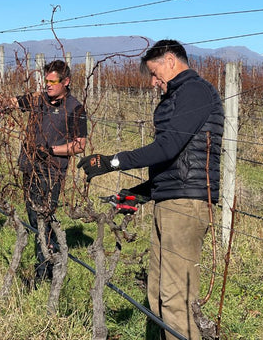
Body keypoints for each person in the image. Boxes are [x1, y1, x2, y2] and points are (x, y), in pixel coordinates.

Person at [77, 40, 224, 340]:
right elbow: (174, 162)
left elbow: (167, 147)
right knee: (158, 294)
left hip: (184, 208)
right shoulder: (177, 95)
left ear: (171, 61)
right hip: (169, 202)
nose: (154, 82)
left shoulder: (195, 91)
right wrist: (138, 192)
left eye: (156, 73)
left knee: (176, 300)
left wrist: (112, 162)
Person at [0, 59, 87, 282]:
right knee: (34, 218)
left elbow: (79, 144)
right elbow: (13, 102)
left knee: (45, 219)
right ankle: (42, 269)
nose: (49, 85)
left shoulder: (75, 108)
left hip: (53, 172)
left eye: (54, 81)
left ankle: (45, 274)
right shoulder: (38, 99)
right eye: (46, 81)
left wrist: (52, 150)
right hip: (30, 167)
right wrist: (0, 106)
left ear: (66, 81)